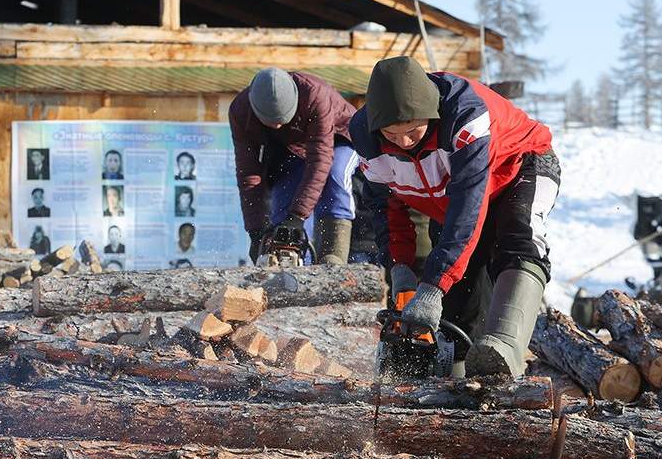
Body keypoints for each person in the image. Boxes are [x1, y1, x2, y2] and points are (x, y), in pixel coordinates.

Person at [349, 56, 559, 377]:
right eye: (392, 135)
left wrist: (433, 284)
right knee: (458, 300)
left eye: (413, 131)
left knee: (518, 237)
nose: (403, 142)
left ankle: (504, 349)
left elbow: (467, 205)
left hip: (519, 168)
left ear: (431, 116)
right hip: (452, 200)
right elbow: (385, 207)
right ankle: (453, 382)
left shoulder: (465, 118)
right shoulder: (366, 139)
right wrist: (400, 266)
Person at [230, 67, 359, 265]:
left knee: (335, 175)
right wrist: (256, 230)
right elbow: (249, 173)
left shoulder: (315, 95)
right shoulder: (240, 112)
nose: (278, 126)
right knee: (283, 208)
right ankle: (290, 265)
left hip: (339, 137)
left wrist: (298, 216)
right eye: (272, 122)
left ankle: (333, 256)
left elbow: (321, 159)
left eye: (282, 120)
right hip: (290, 150)